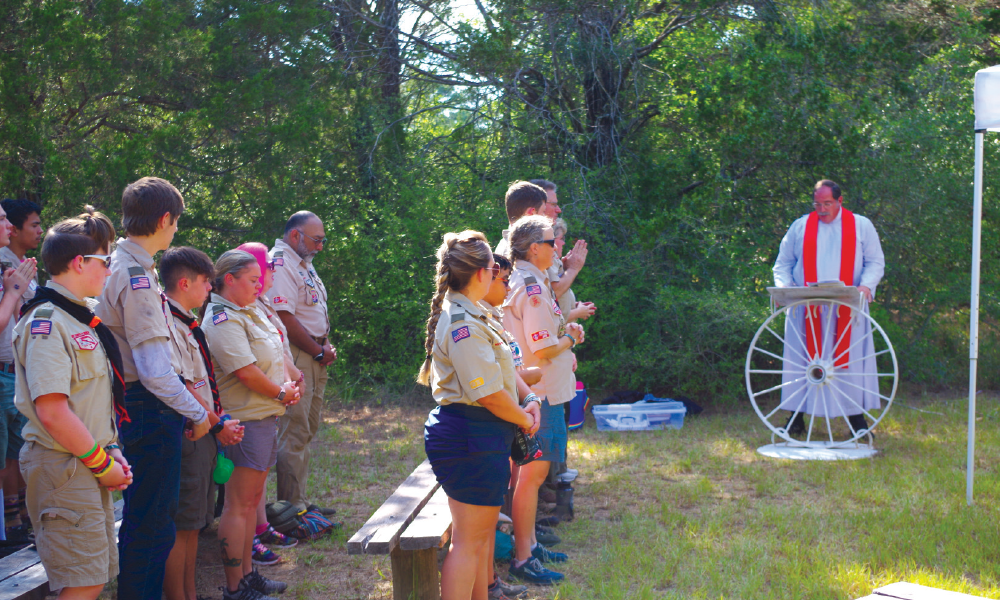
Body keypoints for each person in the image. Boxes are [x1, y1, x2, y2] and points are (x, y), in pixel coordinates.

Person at [94, 176, 213, 600]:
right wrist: (200, 414)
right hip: (148, 408)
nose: (176, 229)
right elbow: (154, 371)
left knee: (150, 522)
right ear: (165, 219)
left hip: (141, 406)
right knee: (152, 527)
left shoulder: (123, 265)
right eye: (176, 221)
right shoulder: (136, 275)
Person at [14, 208, 132, 600]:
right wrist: (102, 463)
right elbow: (51, 410)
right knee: (81, 583)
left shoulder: (80, 319)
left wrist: (110, 450)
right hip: (63, 465)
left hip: (84, 460)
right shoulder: (48, 322)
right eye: (105, 260)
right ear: (80, 262)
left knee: (92, 575)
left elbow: (88, 401)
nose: (109, 268)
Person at [419, 231, 540, 600]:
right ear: (480, 273)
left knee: (474, 538)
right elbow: (487, 393)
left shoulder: (473, 313)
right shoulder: (464, 323)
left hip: (478, 434)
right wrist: (524, 417)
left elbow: (501, 379)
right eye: (493, 267)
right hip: (472, 435)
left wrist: (527, 400)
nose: (497, 274)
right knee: (468, 545)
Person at [202, 250, 301, 600]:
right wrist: (281, 393)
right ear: (229, 280)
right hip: (243, 421)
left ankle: (248, 576)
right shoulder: (222, 318)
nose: (260, 286)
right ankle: (236, 587)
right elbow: (245, 371)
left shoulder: (247, 310)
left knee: (251, 500)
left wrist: (286, 387)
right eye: (253, 280)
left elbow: (274, 354)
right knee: (238, 505)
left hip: (262, 417)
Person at [161, 247, 245, 600]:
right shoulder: (168, 324)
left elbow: (200, 384)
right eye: (205, 282)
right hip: (189, 433)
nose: (210, 288)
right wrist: (214, 424)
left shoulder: (186, 322)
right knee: (182, 527)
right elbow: (180, 384)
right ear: (184, 283)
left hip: (204, 429)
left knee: (195, 524)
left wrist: (218, 418)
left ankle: (190, 594)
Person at [503, 215, 584, 585]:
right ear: (534, 248)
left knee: (527, 475)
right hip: (542, 394)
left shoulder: (527, 279)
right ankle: (524, 557)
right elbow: (544, 346)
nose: (557, 248)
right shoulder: (532, 286)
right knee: (530, 476)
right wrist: (571, 337)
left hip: (538, 391)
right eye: (552, 242)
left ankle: (530, 544)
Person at [772, 179, 886, 435]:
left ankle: (858, 423)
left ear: (840, 201)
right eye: (817, 204)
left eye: (827, 203)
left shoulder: (860, 226)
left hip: (846, 307)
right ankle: (796, 419)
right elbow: (782, 263)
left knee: (849, 363)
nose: (822, 209)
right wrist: (786, 289)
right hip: (806, 309)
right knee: (803, 362)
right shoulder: (800, 226)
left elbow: (875, 261)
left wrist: (866, 286)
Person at [236, 241, 302, 564]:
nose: (273, 270)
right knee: (247, 487)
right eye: (269, 265)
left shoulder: (260, 303)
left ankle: (260, 527)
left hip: (270, 400)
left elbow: (277, 347)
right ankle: (250, 539)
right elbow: (250, 365)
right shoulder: (242, 308)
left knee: (260, 475)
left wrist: (291, 375)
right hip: (252, 406)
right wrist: (281, 389)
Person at [268, 212, 336, 514]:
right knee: (294, 431)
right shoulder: (281, 263)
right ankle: (291, 507)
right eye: (316, 240)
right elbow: (284, 317)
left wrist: (324, 345)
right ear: (295, 235)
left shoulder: (303, 264)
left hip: (314, 353)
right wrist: (316, 350)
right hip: (298, 355)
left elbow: (312, 313)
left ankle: (301, 501)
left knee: (306, 428)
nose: (320, 246)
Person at [0, 202, 37, 541]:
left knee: (15, 447)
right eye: (1, 221)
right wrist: (13, 292)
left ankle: (19, 516)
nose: (7, 226)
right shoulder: (9, 272)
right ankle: (10, 522)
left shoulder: (14, 268)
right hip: (2, 371)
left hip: (15, 368)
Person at [527, 180, 588, 301]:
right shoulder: (530, 244)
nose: (558, 210)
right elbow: (550, 296)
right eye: (553, 204)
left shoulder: (534, 240)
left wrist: (564, 269)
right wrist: (573, 269)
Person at [0, 198, 42, 298]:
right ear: (14, 230)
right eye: (34, 225)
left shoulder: (27, 265)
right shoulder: (4, 266)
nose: (40, 231)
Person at [494, 181, 547, 259]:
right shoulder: (518, 252)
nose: (545, 217)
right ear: (531, 213)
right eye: (543, 212)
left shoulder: (507, 245)